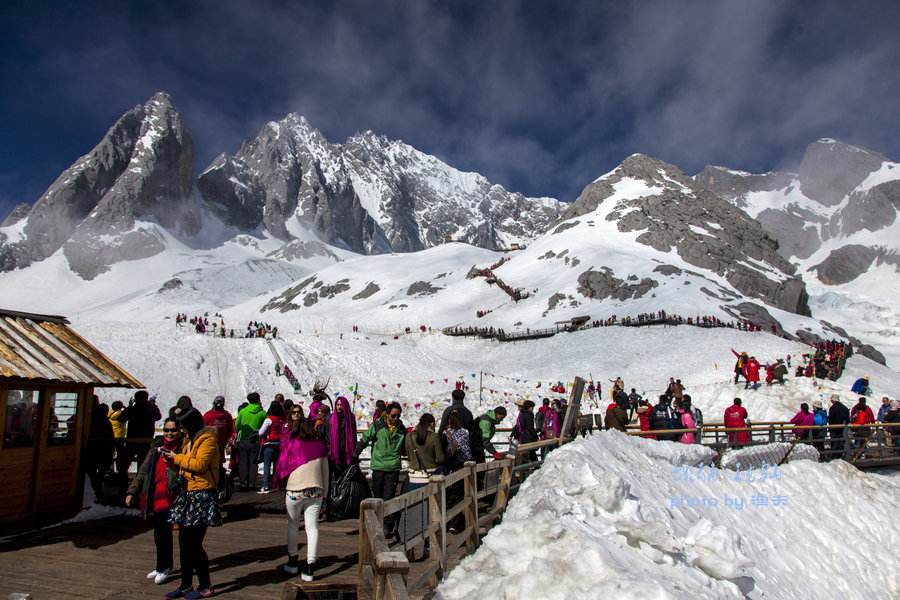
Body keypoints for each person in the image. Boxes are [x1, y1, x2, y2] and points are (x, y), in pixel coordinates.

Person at [162, 409, 221, 599]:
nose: (182, 431)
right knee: (184, 542)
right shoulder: (191, 440)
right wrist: (172, 461)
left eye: (184, 427)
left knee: (194, 543)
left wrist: (176, 458)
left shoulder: (208, 440)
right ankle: (186, 584)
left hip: (202, 494)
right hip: (189, 492)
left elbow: (200, 465)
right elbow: (187, 465)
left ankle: (205, 585)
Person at [125, 418, 182, 585]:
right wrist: (132, 491)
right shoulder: (156, 449)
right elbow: (143, 470)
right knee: (159, 534)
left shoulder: (182, 448)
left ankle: (166, 567)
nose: (169, 433)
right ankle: (160, 566)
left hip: (173, 497)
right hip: (156, 496)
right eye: (166, 430)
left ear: (179, 431)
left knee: (168, 534)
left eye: (173, 430)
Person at [279, 418, 329, 582]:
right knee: (312, 527)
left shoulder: (292, 444)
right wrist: (326, 493)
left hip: (294, 490)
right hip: (316, 490)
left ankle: (292, 561)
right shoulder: (320, 446)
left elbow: (282, 464)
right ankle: (310, 566)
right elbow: (325, 472)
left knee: (293, 524)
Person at [354, 402, 405, 536]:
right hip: (378, 465)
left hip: (393, 467)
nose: (396, 419)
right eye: (393, 416)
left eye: (398, 416)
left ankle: (387, 526)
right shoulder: (377, 426)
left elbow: (406, 446)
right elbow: (365, 439)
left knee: (389, 497)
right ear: (387, 414)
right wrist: (355, 453)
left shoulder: (401, 428)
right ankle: (376, 524)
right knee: (378, 496)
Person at [117, 390, 162, 477]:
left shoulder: (132, 409)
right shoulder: (150, 408)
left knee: (124, 464)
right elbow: (158, 417)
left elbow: (121, 419)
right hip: (146, 441)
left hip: (132, 440)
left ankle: (123, 484)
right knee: (143, 465)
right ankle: (140, 485)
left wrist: (129, 406)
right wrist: (153, 405)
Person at [234, 392, 266, 491]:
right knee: (253, 462)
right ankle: (252, 483)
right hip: (255, 440)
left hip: (243, 439)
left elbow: (237, 426)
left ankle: (243, 482)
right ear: (258, 400)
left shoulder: (243, 412)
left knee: (243, 462)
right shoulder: (263, 413)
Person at [85, 398, 114, 501]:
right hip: (103, 450)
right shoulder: (106, 421)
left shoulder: (88, 418)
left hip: (91, 448)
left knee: (91, 471)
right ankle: (98, 490)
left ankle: (93, 490)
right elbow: (110, 437)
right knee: (100, 472)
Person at [257, 401, 285, 493]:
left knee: (267, 465)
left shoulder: (269, 419)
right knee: (277, 465)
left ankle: (265, 485)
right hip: (279, 444)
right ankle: (277, 484)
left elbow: (261, 432)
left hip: (269, 444)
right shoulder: (282, 419)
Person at [329, 396, 357, 473]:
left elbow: (354, 435)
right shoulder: (331, 418)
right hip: (335, 452)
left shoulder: (350, 418)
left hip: (347, 452)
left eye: (341, 405)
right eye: (337, 405)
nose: (339, 407)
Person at [202, 396, 234, 464]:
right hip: (222, 442)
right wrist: (227, 439)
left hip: (209, 442)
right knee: (219, 459)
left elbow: (203, 428)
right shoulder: (227, 415)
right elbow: (230, 429)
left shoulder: (208, 415)